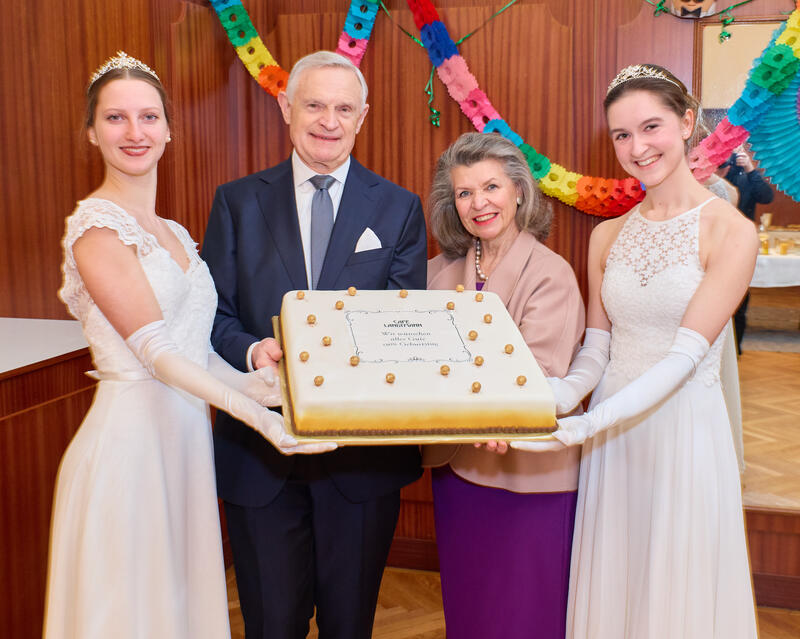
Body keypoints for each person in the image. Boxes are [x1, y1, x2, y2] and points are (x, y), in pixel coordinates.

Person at [43, 52, 330, 639]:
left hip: (184, 445)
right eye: (116, 118)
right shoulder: (96, 230)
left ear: (168, 129)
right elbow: (157, 355)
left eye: (148, 116)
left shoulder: (172, 232)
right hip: (130, 451)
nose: (134, 132)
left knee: (179, 606)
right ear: (91, 132)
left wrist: (271, 384)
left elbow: (195, 353)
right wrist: (262, 419)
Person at [524, 64, 758, 638]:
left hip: (682, 431)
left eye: (650, 127)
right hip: (613, 437)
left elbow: (683, 357)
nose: (637, 147)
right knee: (619, 575)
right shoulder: (606, 236)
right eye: (621, 135)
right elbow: (597, 349)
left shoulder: (730, 232)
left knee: (676, 584)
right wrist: (550, 399)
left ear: (685, 123)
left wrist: (587, 425)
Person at [201, 50, 428, 639]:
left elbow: (402, 328)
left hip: (361, 460)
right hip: (259, 450)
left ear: (363, 117)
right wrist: (254, 351)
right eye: (315, 104)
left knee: (349, 624)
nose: (329, 120)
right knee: (270, 623)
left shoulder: (400, 208)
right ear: (286, 107)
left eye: (344, 108)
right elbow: (215, 315)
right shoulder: (235, 202)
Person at [424, 132, 585, 638]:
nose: (479, 203)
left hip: (527, 477)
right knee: (470, 610)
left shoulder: (550, 274)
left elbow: (539, 374)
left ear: (519, 191)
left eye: (491, 187)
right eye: (465, 193)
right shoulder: (435, 272)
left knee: (523, 615)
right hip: (456, 469)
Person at [719, 146, 774, 353]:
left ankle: (736, 349)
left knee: (740, 298)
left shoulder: (745, 176)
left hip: (740, 244)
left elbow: (767, 197)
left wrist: (751, 170)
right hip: (713, 242)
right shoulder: (709, 175)